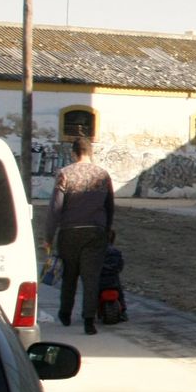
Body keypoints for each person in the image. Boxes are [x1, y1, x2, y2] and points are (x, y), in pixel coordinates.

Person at [45, 135, 115, 335]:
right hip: (95, 232)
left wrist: (48, 236)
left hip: (69, 232)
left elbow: (55, 208)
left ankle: (65, 314)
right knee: (91, 277)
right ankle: (88, 321)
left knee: (70, 276)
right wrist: (107, 228)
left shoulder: (65, 174)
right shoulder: (103, 175)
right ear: (90, 152)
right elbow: (109, 206)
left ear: (74, 153)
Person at [98, 229, 128, 323]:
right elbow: (120, 266)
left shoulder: (96, 252)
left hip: (100, 279)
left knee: (91, 293)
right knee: (120, 294)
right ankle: (123, 311)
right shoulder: (116, 252)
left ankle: (88, 312)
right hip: (113, 280)